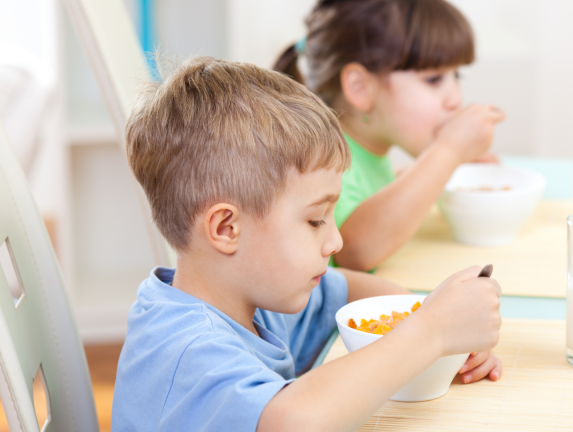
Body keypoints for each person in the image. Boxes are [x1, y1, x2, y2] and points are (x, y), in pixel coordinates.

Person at [111, 57, 502, 432]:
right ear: (227, 228)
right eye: (316, 220)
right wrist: (430, 331)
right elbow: (293, 422)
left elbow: (355, 291)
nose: (335, 240)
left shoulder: (250, 296)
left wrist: (438, 323)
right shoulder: (184, 353)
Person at [274, 0, 505, 272]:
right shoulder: (320, 159)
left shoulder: (367, 151)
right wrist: (448, 151)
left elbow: (367, 193)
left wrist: (439, 169)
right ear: (361, 88)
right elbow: (355, 250)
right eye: (433, 79)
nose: (455, 98)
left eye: (456, 76)